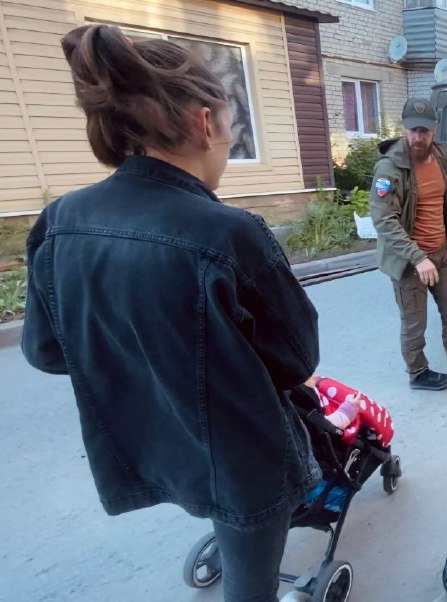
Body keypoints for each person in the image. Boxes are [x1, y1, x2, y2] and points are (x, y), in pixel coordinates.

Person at [21, 24, 320, 602]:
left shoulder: (59, 221)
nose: (230, 145)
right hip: (241, 460)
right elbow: (297, 358)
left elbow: (46, 350)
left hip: (151, 445)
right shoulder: (229, 232)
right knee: (250, 584)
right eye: (233, 128)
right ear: (204, 122)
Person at [370, 97, 447, 391]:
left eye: (424, 131)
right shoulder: (390, 168)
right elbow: (384, 220)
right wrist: (417, 257)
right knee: (414, 322)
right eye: (412, 131)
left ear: (434, 129)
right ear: (404, 128)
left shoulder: (442, 157)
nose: (418, 138)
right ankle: (418, 372)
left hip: (442, 252)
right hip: (410, 260)